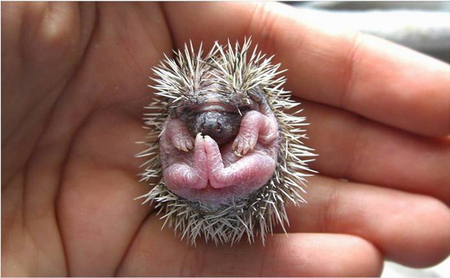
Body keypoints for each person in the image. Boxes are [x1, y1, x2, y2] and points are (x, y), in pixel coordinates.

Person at [2, 2, 449, 276]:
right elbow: (174, 140)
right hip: (195, 185)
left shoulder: (257, 119)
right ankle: (207, 177)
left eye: (226, 116)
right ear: (180, 110)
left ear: (248, 106)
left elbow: (263, 135)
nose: (210, 125)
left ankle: (216, 175)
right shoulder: (179, 124)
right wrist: (197, 155)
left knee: (247, 161)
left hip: (245, 181)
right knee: (190, 166)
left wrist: (221, 152)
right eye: (196, 116)